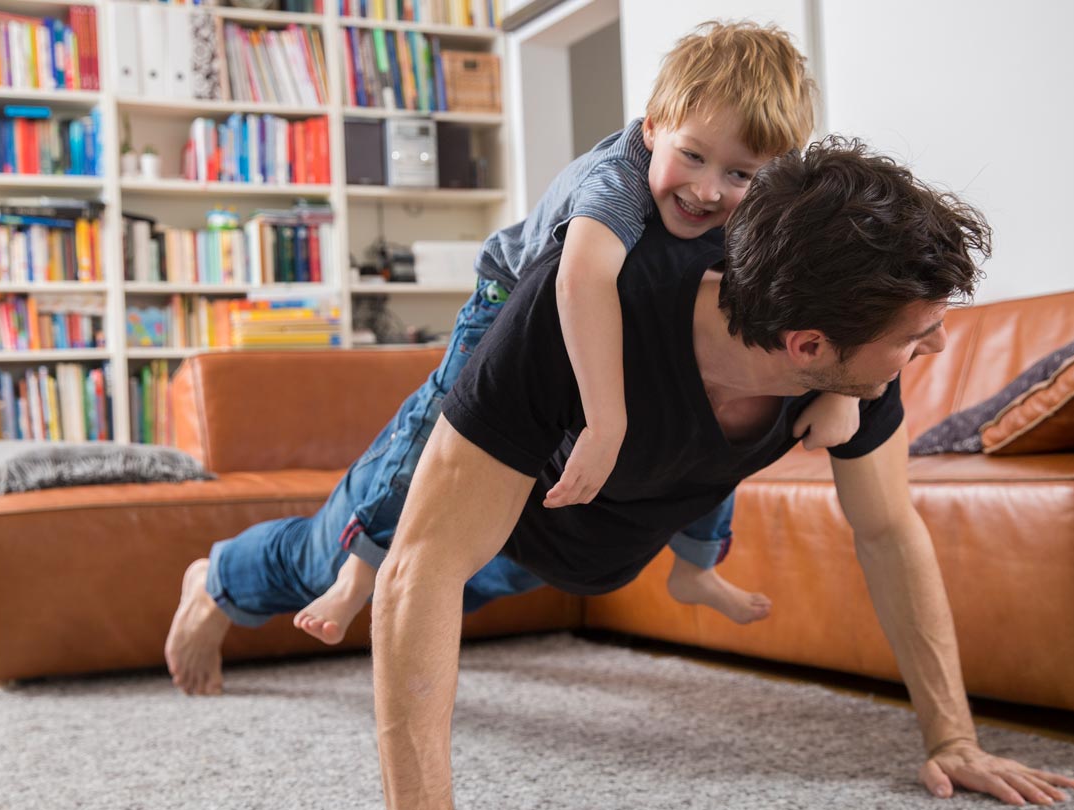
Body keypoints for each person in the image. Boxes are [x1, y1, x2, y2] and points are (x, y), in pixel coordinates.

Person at [170, 140, 1074, 810]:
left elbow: (888, 532)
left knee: (502, 587)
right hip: (488, 500)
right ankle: (213, 580)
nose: (934, 348)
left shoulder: (854, 376)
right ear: (804, 346)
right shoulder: (571, 321)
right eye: (918, 335)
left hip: (577, 546)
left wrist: (952, 737)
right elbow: (423, 567)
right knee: (313, 559)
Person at [290, 20, 860, 647]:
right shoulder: (615, 181)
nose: (706, 189)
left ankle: (697, 566)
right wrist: (605, 420)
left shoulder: (761, 203)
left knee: (714, 419)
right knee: (433, 428)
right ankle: (361, 567)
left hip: (632, 310)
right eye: (692, 156)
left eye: (740, 175)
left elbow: (839, 293)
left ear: (775, 173)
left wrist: (843, 389)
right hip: (509, 302)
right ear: (651, 129)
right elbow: (581, 281)